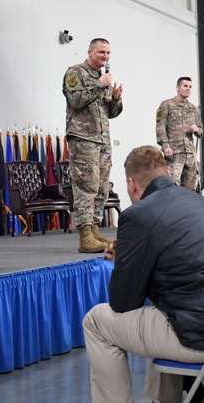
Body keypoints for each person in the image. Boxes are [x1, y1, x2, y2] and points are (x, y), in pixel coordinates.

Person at [82, 146, 204, 403]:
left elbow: (123, 302)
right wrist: (134, 258)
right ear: (168, 173)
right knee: (165, 312)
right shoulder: (200, 201)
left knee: (96, 321)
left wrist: (127, 263)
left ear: (131, 184)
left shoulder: (137, 216)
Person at [63, 38, 123, 253]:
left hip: (102, 140)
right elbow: (76, 101)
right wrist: (100, 85)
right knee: (86, 185)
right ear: (90, 52)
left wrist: (115, 98)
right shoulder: (75, 72)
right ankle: (84, 234)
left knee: (101, 187)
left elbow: (110, 112)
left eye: (108, 53)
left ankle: (95, 229)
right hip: (83, 138)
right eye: (101, 52)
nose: (105, 56)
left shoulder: (102, 78)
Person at [155, 76, 204, 191]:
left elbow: (200, 131)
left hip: (190, 154)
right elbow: (160, 127)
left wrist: (197, 130)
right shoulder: (167, 105)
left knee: (190, 189)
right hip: (174, 153)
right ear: (177, 88)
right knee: (172, 187)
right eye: (185, 86)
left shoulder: (193, 109)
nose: (188, 89)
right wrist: (165, 146)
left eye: (190, 87)